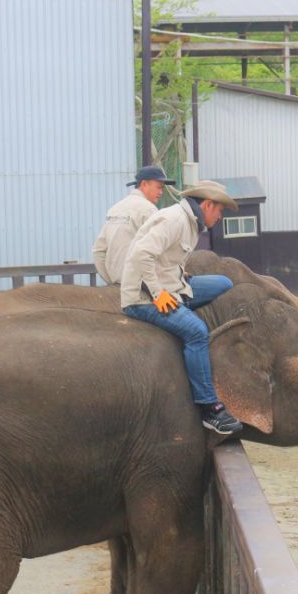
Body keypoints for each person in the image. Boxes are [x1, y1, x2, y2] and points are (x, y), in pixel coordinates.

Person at [120, 180, 242, 436]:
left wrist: (177, 275)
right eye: (219, 210)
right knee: (197, 331)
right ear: (207, 204)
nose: (220, 217)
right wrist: (157, 293)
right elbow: (141, 254)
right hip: (142, 299)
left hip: (174, 288)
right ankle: (210, 409)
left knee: (223, 283)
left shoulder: (191, 223)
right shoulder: (175, 220)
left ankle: (181, 307)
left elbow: (165, 256)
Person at [92, 165, 175, 285]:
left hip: (117, 283)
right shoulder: (149, 210)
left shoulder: (114, 209)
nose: (161, 192)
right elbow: (161, 250)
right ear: (144, 184)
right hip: (141, 285)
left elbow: (98, 251)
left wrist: (110, 281)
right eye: (158, 187)